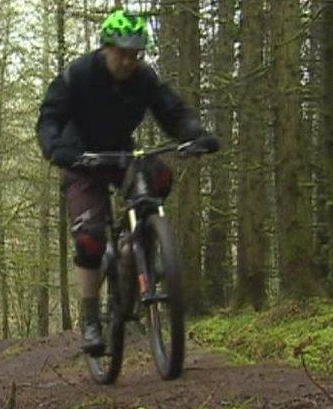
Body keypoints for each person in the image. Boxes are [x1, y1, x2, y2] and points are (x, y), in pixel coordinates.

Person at [36, 8, 219, 356]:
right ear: (106, 48)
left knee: (159, 175)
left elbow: (172, 110)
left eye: (136, 54)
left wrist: (195, 134)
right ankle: (91, 318)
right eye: (122, 53)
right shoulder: (78, 74)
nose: (128, 61)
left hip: (121, 155)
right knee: (89, 238)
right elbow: (50, 116)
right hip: (80, 160)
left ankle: (142, 245)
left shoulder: (143, 79)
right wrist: (55, 147)